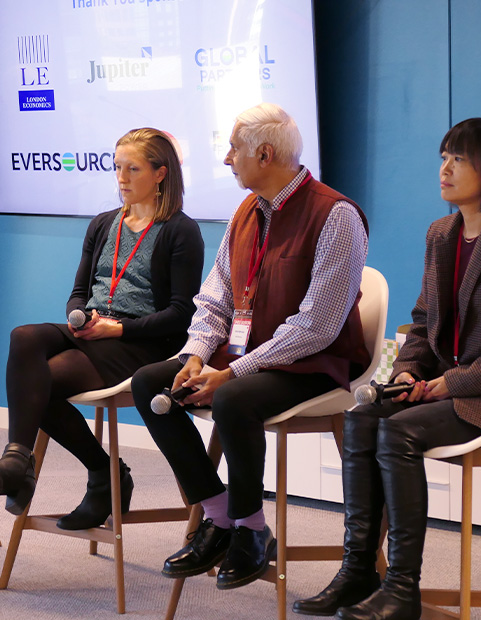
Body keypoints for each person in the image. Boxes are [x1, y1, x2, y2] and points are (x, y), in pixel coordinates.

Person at [292, 118, 481, 620]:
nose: (445, 168)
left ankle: (402, 587)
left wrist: (451, 384)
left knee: (400, 433)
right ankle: (357, 571)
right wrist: (406, 371)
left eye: (458, 159)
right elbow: (423, 322)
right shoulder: (443, 233)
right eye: (444, 157)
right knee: (361, 416)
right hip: (446, 383)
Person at [131, 103, 370, 591]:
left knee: (232, 398)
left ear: (264, 153)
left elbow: (317, 326)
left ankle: (251, 531)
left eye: (233, 149)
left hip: (311, 361)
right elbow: (216, 297)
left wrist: (232, 374)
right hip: (246, 355)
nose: (225, 160)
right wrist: (196, 354)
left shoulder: (336, 214)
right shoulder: (246, 211)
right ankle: (220, 519)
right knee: (150, 383)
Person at [0, 128, 204, 529]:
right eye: (117, 168)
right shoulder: (103, 224)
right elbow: (79, 292)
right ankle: (18, 461)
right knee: (24, 337)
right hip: (94, 331)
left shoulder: (181, 231)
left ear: (161, 174)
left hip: (142, 343)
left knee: (38, 386)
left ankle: (99, 473)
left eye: (133, 169)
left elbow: (181, 314)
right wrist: (83, 317)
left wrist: (119, 331)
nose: (121, 178)